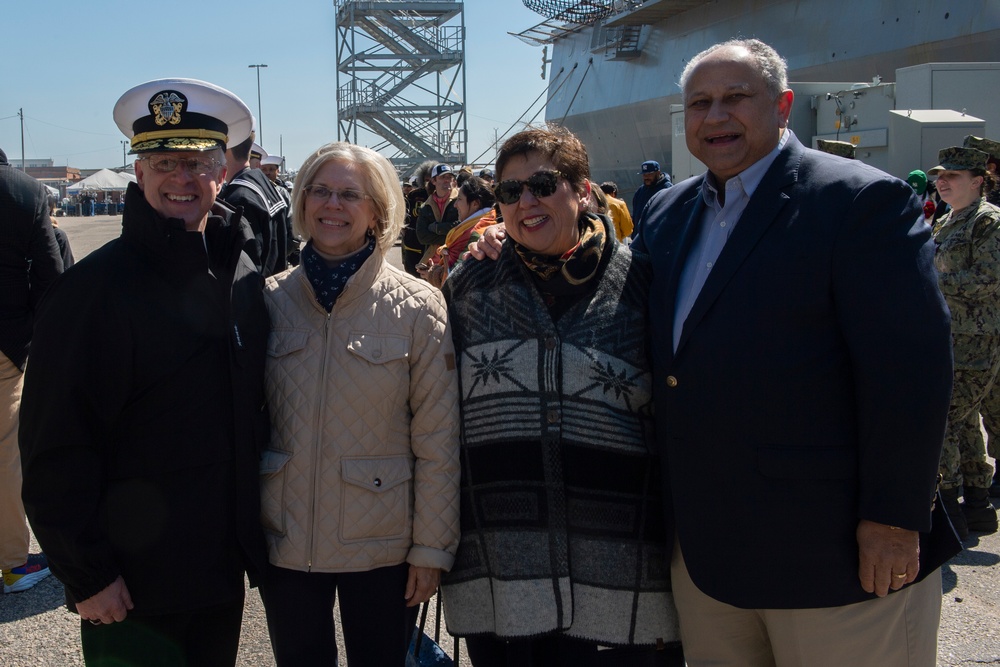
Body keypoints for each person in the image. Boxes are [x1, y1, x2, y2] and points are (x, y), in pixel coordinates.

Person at [632, 38, 954, 665]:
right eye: (700, 103)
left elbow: (910, 371)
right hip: (709, 557)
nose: (715, 117)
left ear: (781, 105)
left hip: (833, 556)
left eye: (735, 98)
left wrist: (893, 518)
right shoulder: (668, 214)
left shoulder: (859, 202)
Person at [18, 78, 269, 666]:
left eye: (198, 161)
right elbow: (54, 444)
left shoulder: (241, 273)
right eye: (163, 161)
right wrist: (87, 572)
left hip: (215, 570)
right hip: (132, 583)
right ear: (138, 172)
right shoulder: (92, 291)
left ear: (224, 171)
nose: (181, 178)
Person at [440, 126, 681, 666]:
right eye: (509, 192)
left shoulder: (645, 284)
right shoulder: (469, 288)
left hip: (623, 574)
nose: (526, 202)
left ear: (584, 189)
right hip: (504, 573)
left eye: (543, 184)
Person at [258, 141, 460, 667]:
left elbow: (438, 438)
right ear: (302, 203)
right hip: (287, 538)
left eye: (351, 194)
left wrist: (431, 549)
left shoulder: (418, 307)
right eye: (320, 191)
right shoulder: (268, 300)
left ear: (378, 210)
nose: (333, 205)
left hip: (384, 545)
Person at [928, 146, 1000, 536]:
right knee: (963, 424)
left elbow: (988, 280)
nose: (942, 182)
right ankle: (976, 506)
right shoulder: (947, 222)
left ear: (977, 181)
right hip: (950, 338)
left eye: (953, 177)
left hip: (975, 342)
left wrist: (929, 284)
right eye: (940, 175)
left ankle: (949, 511)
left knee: (943, 423)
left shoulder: (989, 223)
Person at [0, 147, 62, 595]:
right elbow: (51, 275)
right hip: (5, 342)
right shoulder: (24, 190)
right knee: (5, 455)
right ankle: (14, 562)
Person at [220, 130, 289, 277]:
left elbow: (245, 272)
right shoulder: (262, 184)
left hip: (257, 293)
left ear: (226, 149)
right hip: (273, 288)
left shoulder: (240, 199)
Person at [418, 175, 497, 288]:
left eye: (459, 199)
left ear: (475, 203)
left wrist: (433, 274)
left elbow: (458, 281)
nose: (455, 205)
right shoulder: (481, 225)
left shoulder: (473, 234)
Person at [415, 163, 459, 255]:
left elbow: (462, 227)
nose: (447, 180)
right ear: (433, 181)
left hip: (456, 256)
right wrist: (450, 235)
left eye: (449, 177)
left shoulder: (461, 200)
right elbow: (422, 237)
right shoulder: (426, 206)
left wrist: (436, 228)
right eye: (442, 177)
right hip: (433, 260)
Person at [402, 161, 436, 276]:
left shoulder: (441, 196)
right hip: (413, 241)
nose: (429, 184)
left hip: (433, 241)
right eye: (426, 180)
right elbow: (405, 214)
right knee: (412, 271)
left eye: (431, 180)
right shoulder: (413, 195)